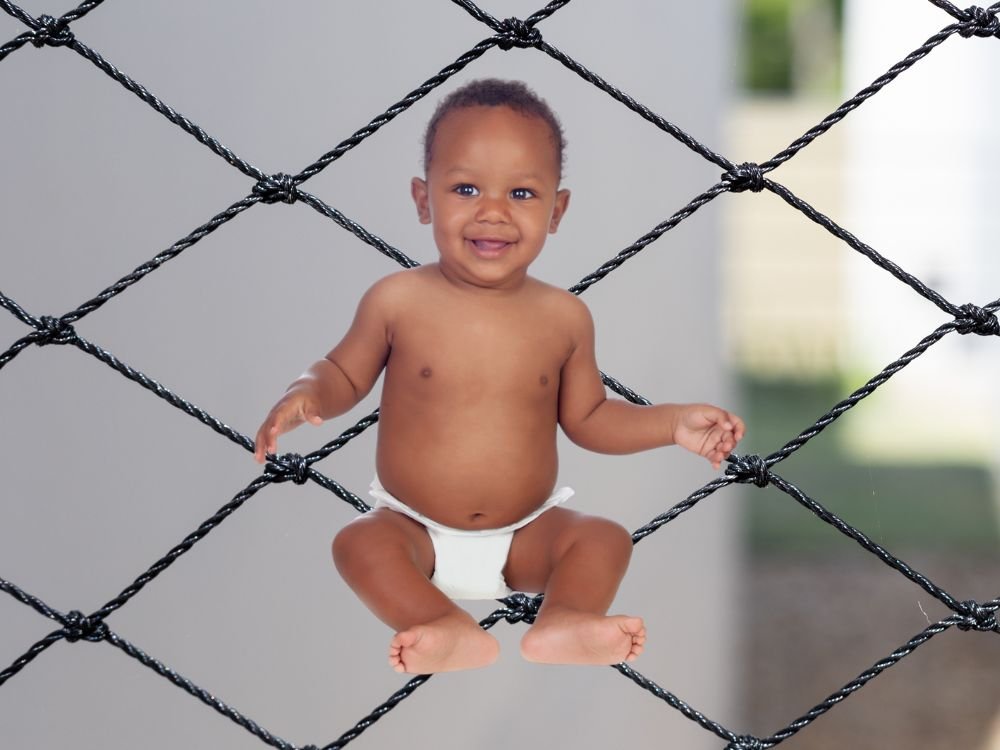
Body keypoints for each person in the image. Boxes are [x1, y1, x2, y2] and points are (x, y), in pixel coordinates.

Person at [254, 79, 744, 675]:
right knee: (358, 543)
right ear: (423, 200)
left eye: (521, 192)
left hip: (526, 535)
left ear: (556, 211)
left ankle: (564, 620)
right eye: (465, 189)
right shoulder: (397, 300)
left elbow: (590, 419)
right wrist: (305, 393)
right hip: (413, 530)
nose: (493, 212)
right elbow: (342, 373)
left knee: (604, 539)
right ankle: (441, 623)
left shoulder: (564, 317)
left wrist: (671, 424)